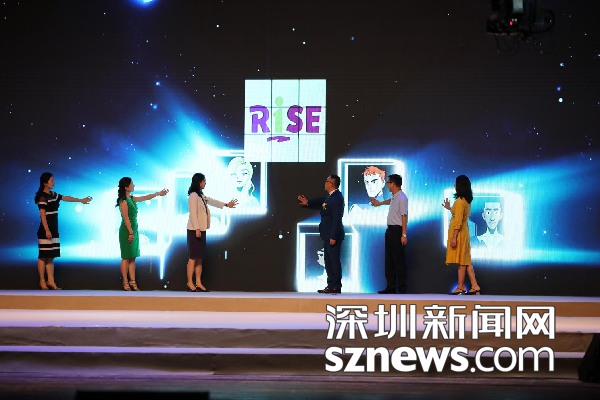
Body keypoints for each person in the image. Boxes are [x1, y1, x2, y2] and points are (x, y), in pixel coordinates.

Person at [35, 172, 92, 290]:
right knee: (43, 256)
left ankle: (51, 281)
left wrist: (81, 200)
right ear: (45, 183)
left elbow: (65, 198)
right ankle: (42, 281)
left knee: (51, 256)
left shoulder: (53, 194)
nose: (54, 182)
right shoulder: (42, 197)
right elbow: (42, 215)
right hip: (45, 229)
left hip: (54, 228)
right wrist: (47, 230)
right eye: (51, 180)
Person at [187, 173, 237, 292]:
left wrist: (226, 205)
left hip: (201, 229)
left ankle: (198, 282)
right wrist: (197, 229)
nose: (205, 183)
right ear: (198, 182)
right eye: (203, 181)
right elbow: (193, 214)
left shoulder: (201, 195)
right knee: (193, 257)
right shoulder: (193, 196)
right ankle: (190, 282)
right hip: (194, 230)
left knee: (200, 258)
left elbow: (212, 201)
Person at [117, 177, 169, 291]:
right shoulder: (123, 201)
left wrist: (158, 194)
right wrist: (130, 233)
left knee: (133, 257)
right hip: (127, 231)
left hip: (134, 230)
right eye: (132, 184)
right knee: (126, 257)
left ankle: (133, 281)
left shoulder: (131, 198)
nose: (133, 185)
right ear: (126, 187)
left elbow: (145, 197)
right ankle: (125, 282)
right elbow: (126, 218)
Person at [298, 175, 345, 294]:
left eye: (327, 181)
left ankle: (336, 286)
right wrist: (308, 202)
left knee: (334, 261)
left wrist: (333, 236)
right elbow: (321, 201)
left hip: (333, 235)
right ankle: (330, 285)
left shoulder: (337, 198)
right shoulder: (330, 197)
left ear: (332, 184)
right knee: (328, 261)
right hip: (327, 234)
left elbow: (337, 219)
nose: (325, 183)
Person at [442, 175, 481, 295]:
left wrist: (454, 236)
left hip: (459, 233)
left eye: (456, 183)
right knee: (466, 260)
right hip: (464, 231)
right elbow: (460, 215)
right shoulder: (465, 200)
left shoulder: (460, 201)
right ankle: (475, 286)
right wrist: (450, 208)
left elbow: (458, 220)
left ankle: (461, 287)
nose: (454, 185)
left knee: (462, 261)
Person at [370, 174, 408, 294]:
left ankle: (401, 288)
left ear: (394, 184)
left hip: (397, 231)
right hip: (390, 231)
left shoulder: (402, 198)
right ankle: (390, 287)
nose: (387, 185)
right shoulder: (394, 197)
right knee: (389, 260)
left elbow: (404, 216)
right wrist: (379, 203)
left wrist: (404, 235)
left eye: (388, 183)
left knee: (398, 260)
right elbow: (390, 201)